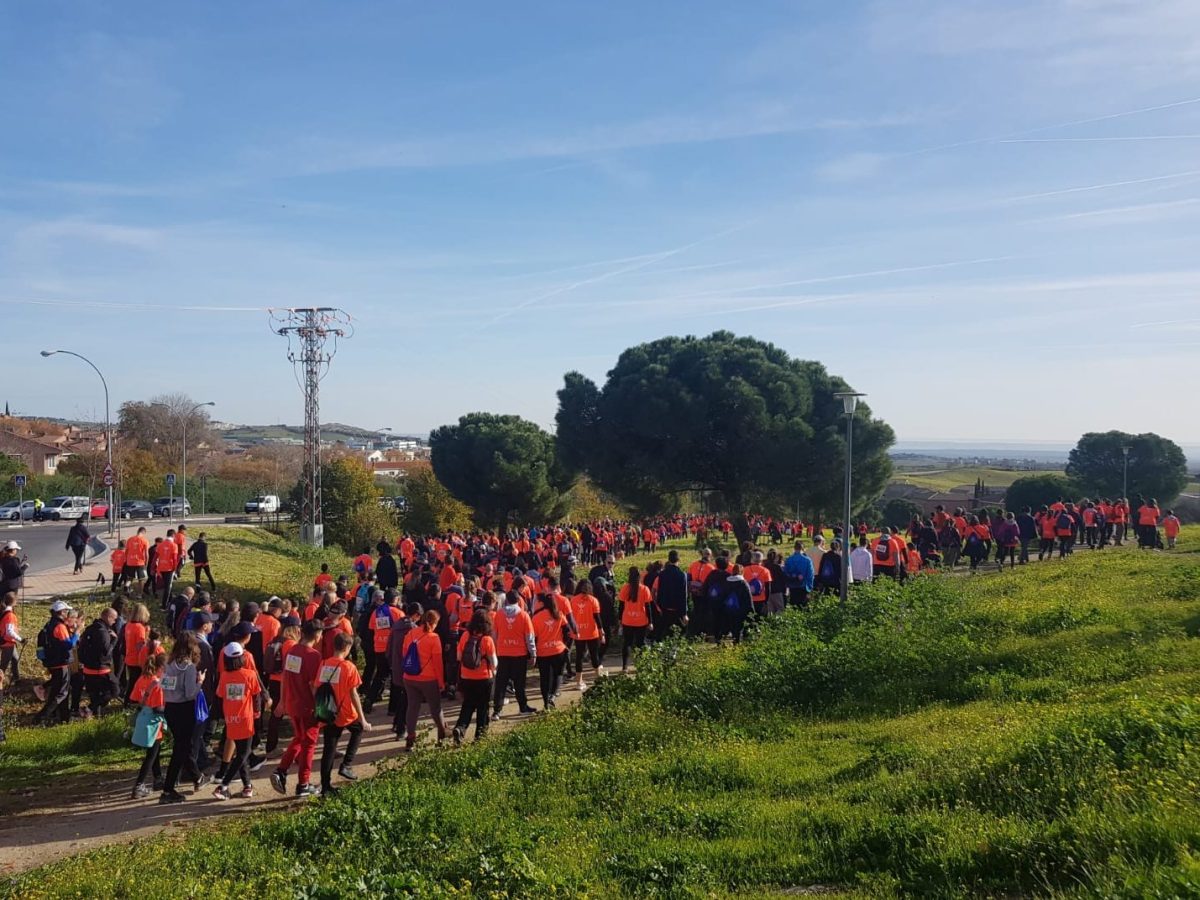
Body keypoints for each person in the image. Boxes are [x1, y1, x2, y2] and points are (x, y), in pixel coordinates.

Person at [270, 619, 323, 798]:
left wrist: (283, 701)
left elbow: (285, 678)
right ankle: (303, 784)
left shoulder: (293, 651)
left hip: (293, 703)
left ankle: (281, 770)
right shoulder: (313, 656)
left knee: (299, 738)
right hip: (308, 706)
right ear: (317, 635)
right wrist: (321, 707)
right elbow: (314, 685)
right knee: (309, 744)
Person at [316, 631, 369, 796]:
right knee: (358, 729)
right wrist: (363, 718)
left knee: (329, 749)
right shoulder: (348, 667)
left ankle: (325, 786)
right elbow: (354, 694)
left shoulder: (324, 664)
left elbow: (317, 686)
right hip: (345, 712)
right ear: (347, 648)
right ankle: (346, 764)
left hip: (328, 711)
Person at [159, 631, 210, 804]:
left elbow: (163, 686)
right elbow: (190, 693)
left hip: (170, 707)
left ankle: (197, 777)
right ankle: (168, 789)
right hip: (184, 709)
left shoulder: (168, 664)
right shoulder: (188, 667)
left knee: (182, 746)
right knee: (181, 749)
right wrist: (200, 682)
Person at [213, 642, 262, 800]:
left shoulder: (224, 676)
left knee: (242, 753)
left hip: (231, 719)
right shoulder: (250, 675)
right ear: (242, 658)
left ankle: (247, 786)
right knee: (243, 753)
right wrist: (257, 712)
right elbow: (256, 696)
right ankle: (223, 786)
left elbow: (220, 697)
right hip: (246, 719)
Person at [402, 609, 447, 750]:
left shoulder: (410, 633)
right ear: (435, 623)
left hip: (409, 677)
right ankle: (442, 734)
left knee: (412, 707)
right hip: (428, 679)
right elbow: (438, 663)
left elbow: (404, 654)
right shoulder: (434, 638)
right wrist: (441, 682)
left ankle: (410, 739)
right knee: (435, 708)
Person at [453, 610, 497, 744]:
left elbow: (459, 657)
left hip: (466, 677)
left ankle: (460, 728)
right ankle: (480, 737)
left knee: (467, 705)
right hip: (484, 678)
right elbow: (494, 662)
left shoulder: (465, 636)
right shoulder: (487, 640)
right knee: (483, 708)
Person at [492, 591, 537, 720]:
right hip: (519, 654)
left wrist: (495, 650)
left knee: (501, 683)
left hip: (503, 653)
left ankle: (497, 711)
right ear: (518, 600)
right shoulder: (524, 615)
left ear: (506, 600)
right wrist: (533, 653)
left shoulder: (499, 614)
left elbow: (494, 635)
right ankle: (523, 707)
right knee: (519, 683)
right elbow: (529, 637)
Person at [129, 651, 167, 799]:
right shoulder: (157, 683)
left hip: (143, 719)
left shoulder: (142, 679)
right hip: (154, 723)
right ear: (161, 668)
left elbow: (134, 698)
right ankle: (139, 785)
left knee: (154, 751)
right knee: (151, 755)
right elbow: (158, 708)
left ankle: (158, 779)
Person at [34, 600, 77, 725]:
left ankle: (64, 718)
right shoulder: (59, 626)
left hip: (53, 662)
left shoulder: (49, 625)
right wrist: (77, 633)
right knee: (61, 693)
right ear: (61, 612)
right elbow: (68, 645)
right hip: (61, 663)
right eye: (66, 611)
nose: (67, 613)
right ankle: (40, 718)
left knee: (60, 692)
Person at [78, 608, 120, 715]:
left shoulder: (89, 629)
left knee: (95, 695)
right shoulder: (103, 632)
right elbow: (106, 651)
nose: (114, 622)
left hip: (88, 669)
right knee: (114, 691)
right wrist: (114, 640)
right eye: (114, 619)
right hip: (101, 669)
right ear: (108, 617)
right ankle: (89, 708)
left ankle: (94, 714)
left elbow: (81, 646)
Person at [532, 593, 570, 710]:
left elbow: (534, 637)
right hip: (558, 650)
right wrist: (564, 643)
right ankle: (552, 696)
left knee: (544, 678)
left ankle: (545, 702)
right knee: (558, 674)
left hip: (543, 652)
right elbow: (567, 631)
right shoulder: (559, 614)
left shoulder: (536, 617)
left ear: (543, 603)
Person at [618, 567, 653, 672]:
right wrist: (650, 622)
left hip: (627, 620)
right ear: (640, 576)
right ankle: (640, 666)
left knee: (627, 643)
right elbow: (648, 607)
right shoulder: (644, 589)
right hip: (641, 621)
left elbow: (621, 606)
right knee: (640, 643)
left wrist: (619, 619)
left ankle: (624, 667)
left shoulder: (625, 588)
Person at [653, 550, 688, 639]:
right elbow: (683, 594)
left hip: (664, 606)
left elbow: (660, 591)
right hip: (677, 607)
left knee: (663, 630)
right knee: (680, 632)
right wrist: (684, 613)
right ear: (678, 560)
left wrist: (659, 605)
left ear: (668, 559)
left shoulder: (662, 574)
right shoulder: (682, 574)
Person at [122, 603, 152, 702]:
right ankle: (130, 700)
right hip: (137, 660)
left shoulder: (128, 625)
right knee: (135, 682)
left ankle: (128, 699)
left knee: (131, 680)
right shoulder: (139, 628)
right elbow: (140, 646)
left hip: (129, 657)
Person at [123, 527, 150, 599]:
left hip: (130, 561)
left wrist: (126, 560)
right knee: (141, 579)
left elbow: (126, 551)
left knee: (130, 577)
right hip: (140, 562)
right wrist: (146, 563)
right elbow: (146, 554)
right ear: (144, 532)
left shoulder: (130, 539)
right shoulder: (144, 540)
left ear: (137, 531)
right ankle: (139, 595)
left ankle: (126, 586)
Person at [155, 529, 179, 609]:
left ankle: (170, 600)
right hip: (169, 568)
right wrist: (175, 569)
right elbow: (175, 558)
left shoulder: (160, 545)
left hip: (161, 567)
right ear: (173, 535)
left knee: (166, 585)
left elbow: (155, 557)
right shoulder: (174, 545)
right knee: (168, 587)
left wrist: (154, 567)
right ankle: (164, 606)